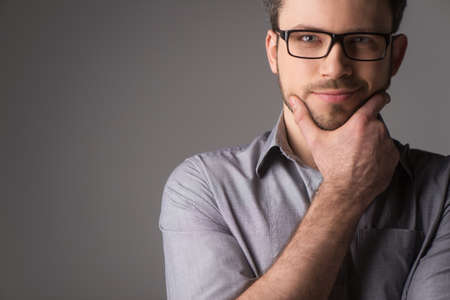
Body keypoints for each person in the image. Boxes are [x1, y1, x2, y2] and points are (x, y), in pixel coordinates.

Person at [159, 0, 450, 299]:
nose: (335, 68)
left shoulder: (444, 190)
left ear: (395, 56)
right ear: (274, 52)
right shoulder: (203, 188)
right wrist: (343, 192)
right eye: (308, 38)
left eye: (362, 39)